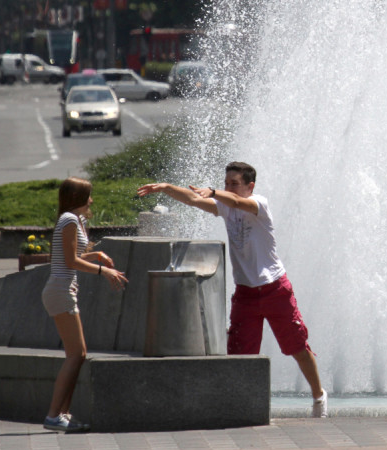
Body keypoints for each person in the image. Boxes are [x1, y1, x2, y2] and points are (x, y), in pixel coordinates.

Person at [137, 162, 328, 417]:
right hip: (246, 295)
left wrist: (215, 192)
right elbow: (194, 199)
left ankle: (319, 397)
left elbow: (238, 203)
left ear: (250, 186)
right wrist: (167, 188)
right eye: (226, 183)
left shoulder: (259, 204)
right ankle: (240, 405)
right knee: (240, 354)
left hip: (274, 289)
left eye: (234, 184)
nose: (229, 188)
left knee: (296, 346)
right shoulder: (226, 206)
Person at [41, 177, 128, 433]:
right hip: (60, 290)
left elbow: (73, 257)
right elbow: (69, 261)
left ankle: (62, 414)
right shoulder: (68, 219)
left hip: (64, 289)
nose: (92, 200)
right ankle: (54, 415)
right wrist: (104, 271)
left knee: (77, 355)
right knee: (76, 355)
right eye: (89, 195)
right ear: (78, 197)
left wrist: (96, 255)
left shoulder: (76, 220)